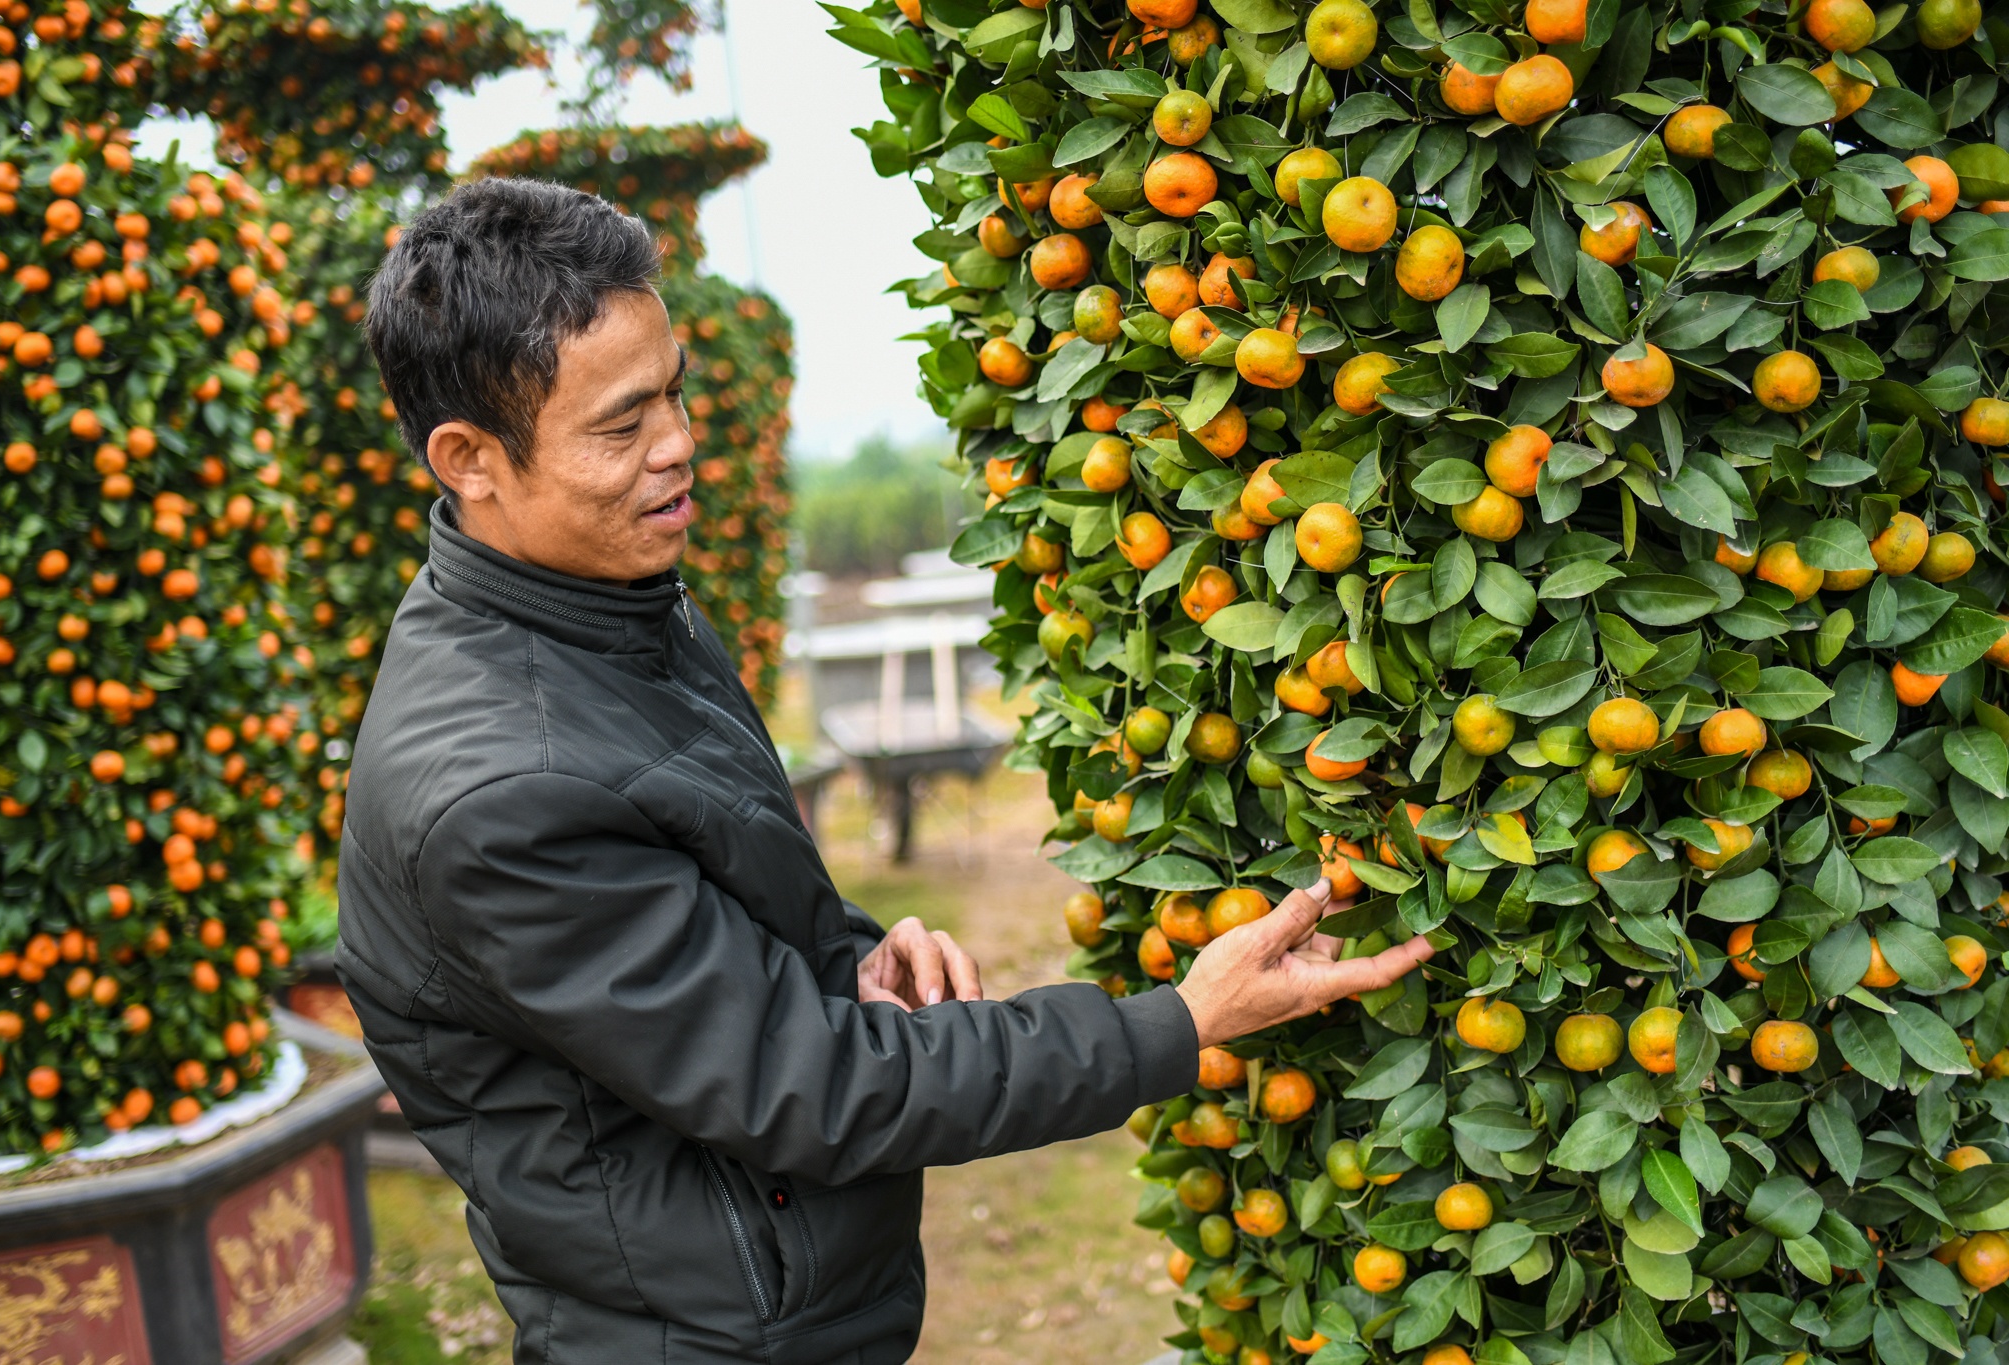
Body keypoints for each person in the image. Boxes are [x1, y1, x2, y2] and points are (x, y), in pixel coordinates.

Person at [337, 177, 1434, 1365]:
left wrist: (846, 952)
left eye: (674, 396)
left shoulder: (598, 611)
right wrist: (1178, 1022)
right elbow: (803, 1085)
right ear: (469, 458)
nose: (678, 446)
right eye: (620, 426)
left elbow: (694, 897)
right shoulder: (502, 792)